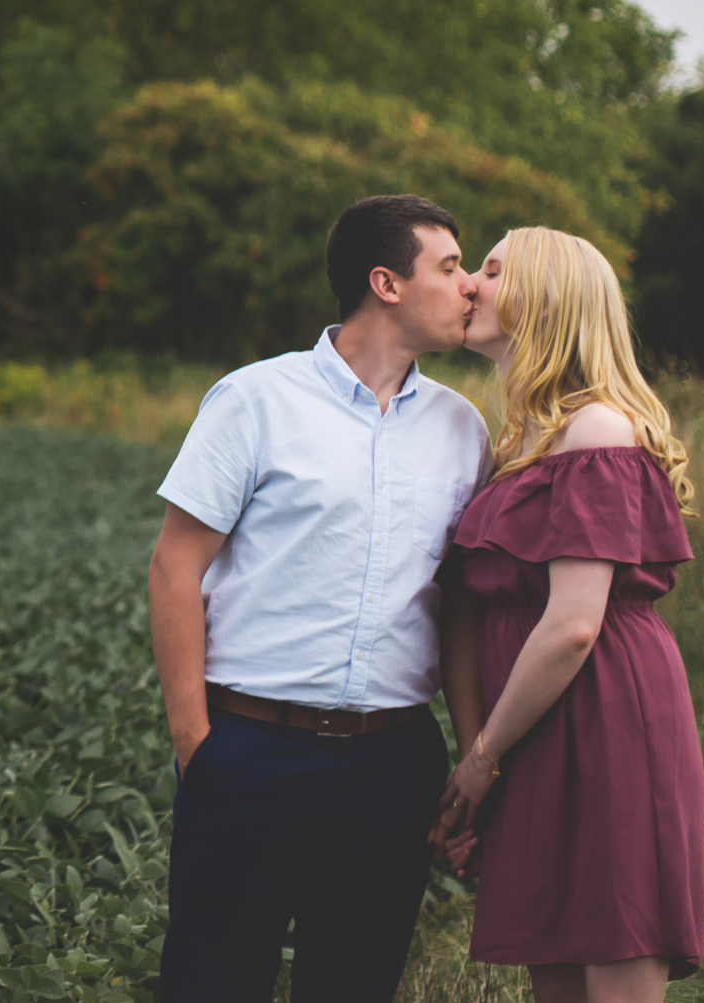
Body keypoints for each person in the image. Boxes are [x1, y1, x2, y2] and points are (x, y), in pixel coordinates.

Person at [147, 193, 490, 1002]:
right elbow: (173, 567)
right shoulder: (254, 400)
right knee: (212, 982)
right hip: (253, 750)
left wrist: (474, 758)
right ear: (387, 282)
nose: (471, 284)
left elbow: (462, 606)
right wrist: (198, 744)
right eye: (449, 266)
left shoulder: (464, 428)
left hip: (393, 764)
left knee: (354, 986)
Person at [429, 228, 704, 999]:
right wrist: (482, 742)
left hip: (607, 713)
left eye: (490, 269)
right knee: (552, 955)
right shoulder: (519, 441)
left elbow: (575, 621)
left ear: (545, 299)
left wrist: (482, 756)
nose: (471, 285)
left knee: (613, 948)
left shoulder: (598, 429)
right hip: (534, 719)